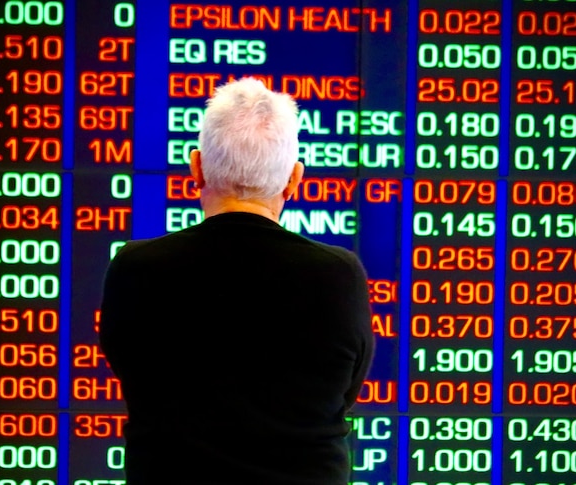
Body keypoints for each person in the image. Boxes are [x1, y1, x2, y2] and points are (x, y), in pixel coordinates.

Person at [99, 77, 375, 484]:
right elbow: (347, 390)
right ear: (294, 179)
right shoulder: (338, 275)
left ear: (196, 168)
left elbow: (126, 368)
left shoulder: (136, 267)